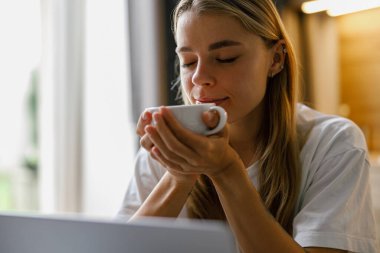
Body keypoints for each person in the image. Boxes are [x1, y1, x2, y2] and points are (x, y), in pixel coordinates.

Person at [118, 0, 377, 252]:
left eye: (225, 58)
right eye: (188, 62)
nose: (199, 77)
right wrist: (179, 173)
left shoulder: (333, 144)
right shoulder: (167, 149)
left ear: (275, 59)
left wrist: (227, 171)